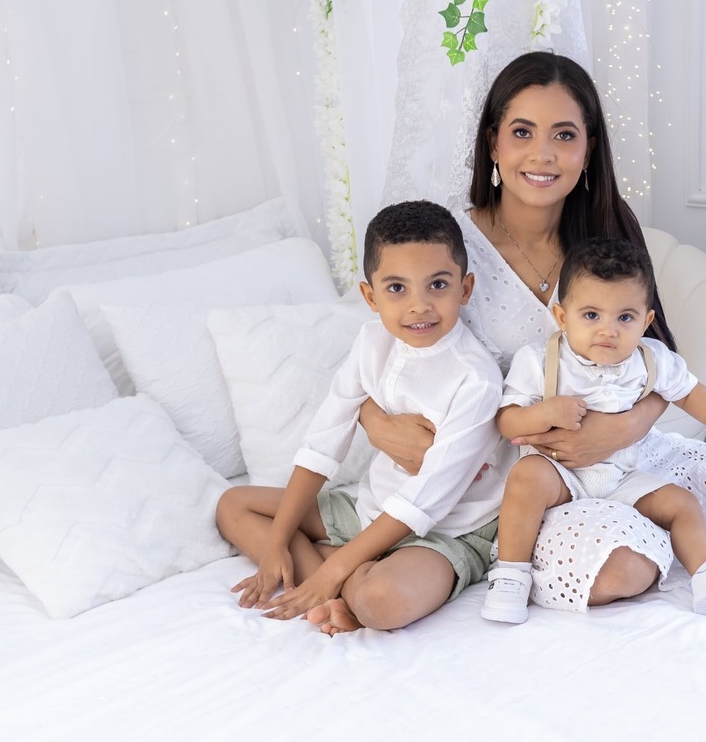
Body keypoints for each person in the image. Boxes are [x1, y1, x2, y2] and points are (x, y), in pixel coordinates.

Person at [357, 51, 706, 614]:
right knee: (622, 568)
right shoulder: (448, 239)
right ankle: (529, 561)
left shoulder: (606, 229)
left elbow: (659, 362)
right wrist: (373, 420)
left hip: (627, 453)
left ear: (588, 148)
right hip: (518, 478)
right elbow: (379, 348)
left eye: (564, 135)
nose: (542, 154)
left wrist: (618, 430)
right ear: (493, 142)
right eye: (522, 131)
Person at [215, 200, 509, 635]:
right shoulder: (371, 342)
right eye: (397, 289)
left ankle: (337, 580)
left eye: (438, 285)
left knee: (380, 602)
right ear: (369, 296)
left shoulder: (476, 379)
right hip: (371, 506)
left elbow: (424, 501)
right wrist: (276, 544)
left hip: (449, 528)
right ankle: (335, 581)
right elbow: (322, 443)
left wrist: (328, 574)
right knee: (233, 504)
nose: (419, 306)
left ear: (464, 289)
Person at [482, 238, 706, 624]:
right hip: (561, 475)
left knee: (682, 504)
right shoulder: (542, 359)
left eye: (624, 318)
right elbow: (507, 421)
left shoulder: (650, 358)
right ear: (563, 317)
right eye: (591, 315)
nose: (608, 331)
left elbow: (691, 392)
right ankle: (510, 575)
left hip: (621, 476)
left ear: (646, 321)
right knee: (526, 476)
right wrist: (545, 413)